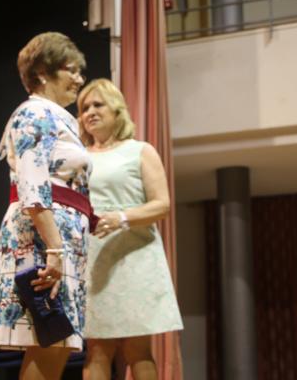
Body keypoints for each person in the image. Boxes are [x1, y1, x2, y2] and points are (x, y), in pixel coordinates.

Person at [0, 32, 91, 380]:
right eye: (70, 69)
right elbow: (33, 186)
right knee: (47, 341)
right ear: (43, 73)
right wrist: (55, 250)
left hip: (60, 240)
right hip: (43, 240)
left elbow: (66, 185)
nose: (79, 79)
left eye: (80, 71)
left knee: (55, 343)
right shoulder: (35, 113)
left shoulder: (60, 117)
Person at [77, 79, 183, 380]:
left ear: (116, 109)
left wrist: (121, 217)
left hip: (135, 257)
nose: (90, 112)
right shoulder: (80, 158)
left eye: (98, 104)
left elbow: (161, 204)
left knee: (137, 351)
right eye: (85, 108)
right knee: (97, 350)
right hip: (95, 259)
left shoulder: (140, 151)